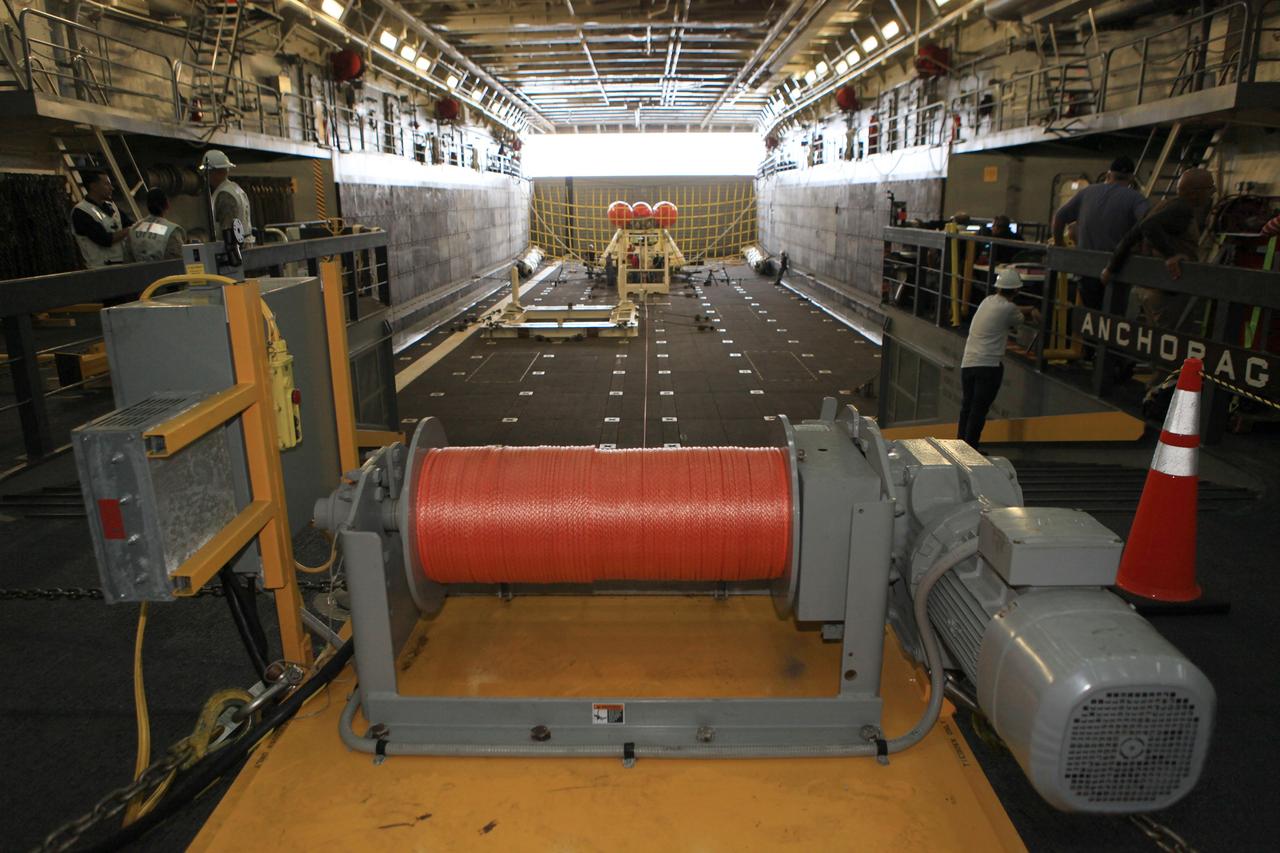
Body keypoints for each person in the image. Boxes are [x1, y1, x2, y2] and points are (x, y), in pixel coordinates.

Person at [1101, 168, 1216, 329]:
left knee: (1155, 340)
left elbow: (1134, 233)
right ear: (1195, 193)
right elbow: (1148, 226)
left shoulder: (1164, 205)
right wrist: (1171, 255)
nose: (1212, 193)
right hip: (1166, 290)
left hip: (1149, 288)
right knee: (1172, 340)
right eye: (1210, 188)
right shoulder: (1181, 209)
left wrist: (1111, 266)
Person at [1052, 156, 1150, 313]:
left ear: (1108, 175)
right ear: (1131, 178)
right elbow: (1147, 223)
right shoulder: (1136, 199)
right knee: (1112, 321)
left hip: (1086, 268)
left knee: (1091, 317)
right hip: (1117, 270)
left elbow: (1060, 217)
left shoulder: (1087, 192)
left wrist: (1059, 245)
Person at [957, 268, 1038, 449]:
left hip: (968, 363)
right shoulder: (1010, 309)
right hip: (989, 366)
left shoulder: (987, 301)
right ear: (1016, 291)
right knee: (979, 410)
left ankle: (960, 447)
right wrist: (1033, 310)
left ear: (998, 287)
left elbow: (1007, 311)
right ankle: (971, 449)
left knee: (967, 407)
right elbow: (1019, 320)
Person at [70, 170, 133, 268]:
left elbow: (130, 223)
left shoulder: (112, 206)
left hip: (121, 265)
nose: (111, 188)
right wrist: (129, 230)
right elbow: (104, 239)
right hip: (100, 269)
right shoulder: (81, 212)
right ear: (93, 186)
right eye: (106, 184)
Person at [200, 149, 254, 244]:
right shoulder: (235, 189)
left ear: (216, 173)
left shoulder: (224, 194)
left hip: (234, 249)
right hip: (244, 245)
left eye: (206, 172)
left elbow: (228, 230)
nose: (205, 176)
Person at [129, 188, 186, 261]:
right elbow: (178, 261)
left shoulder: (134, 229)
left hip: (137, 271)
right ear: (167, 205)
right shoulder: (172, 231)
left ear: (148, 206)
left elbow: (128, 261)